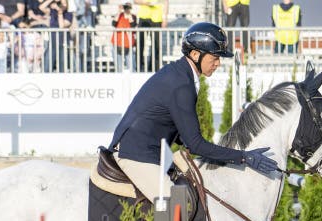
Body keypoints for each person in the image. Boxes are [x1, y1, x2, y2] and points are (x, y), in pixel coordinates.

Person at [104, 22, 278, 204]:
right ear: (195, 54)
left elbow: (181, 134)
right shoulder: (181, 84)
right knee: (174, 203)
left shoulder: (181, 75)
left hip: (150, 151)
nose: (218, 64)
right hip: (136, 154)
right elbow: (195, 145)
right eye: (215, 57)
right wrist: (244, 157)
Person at [134, 0, 166, 71]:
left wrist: (165, 18)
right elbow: (135, 1)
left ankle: (153, 68)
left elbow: (166, 2)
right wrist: (146, 3)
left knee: (156, 44)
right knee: (140, 43)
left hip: (157, 18)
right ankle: (138, 66)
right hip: (144, 17)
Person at [111, 2, 137, 71]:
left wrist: (129, 15)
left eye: (128, 7)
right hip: (117, 43)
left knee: (132, 68)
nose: (126, 9)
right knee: (119, 68)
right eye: (125, 7)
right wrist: (119, 11)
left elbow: (133, 26)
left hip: (129, 44)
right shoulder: (119, 15)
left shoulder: (133, 16)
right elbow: (114, 23)